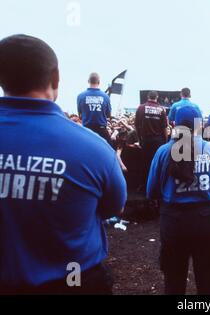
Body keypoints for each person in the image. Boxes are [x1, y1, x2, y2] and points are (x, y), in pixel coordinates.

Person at [0, 34, 127, 294]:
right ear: (56, 78)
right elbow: (115, 206)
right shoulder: (94, 148)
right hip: (74, 282)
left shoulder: (90, 136)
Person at [146, 105, 210, 295]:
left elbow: (151, 190)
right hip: (206, 217)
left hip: (174, 219)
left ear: (174, 124)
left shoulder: (163, 151)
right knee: (207, 279)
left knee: (174, 279)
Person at [135, 91, 168, 189]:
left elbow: (136, 125)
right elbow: (164, 128)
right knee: (158, 163)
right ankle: (158, 186)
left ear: (148, 97)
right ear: (157, 97)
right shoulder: (162, 109)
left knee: (145, 163)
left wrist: (139, 139)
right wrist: (165, 142)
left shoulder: (140, 108)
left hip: (146, 140)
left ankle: (143, 185)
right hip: (158, 141)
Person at [77, 72, 113, 144]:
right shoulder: (106, 96)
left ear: (88, 81)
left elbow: (80, 115)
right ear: (99, 82)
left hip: (86, 130)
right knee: (110, 151)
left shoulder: (80, 96)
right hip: (101, 131)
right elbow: (109, 115)